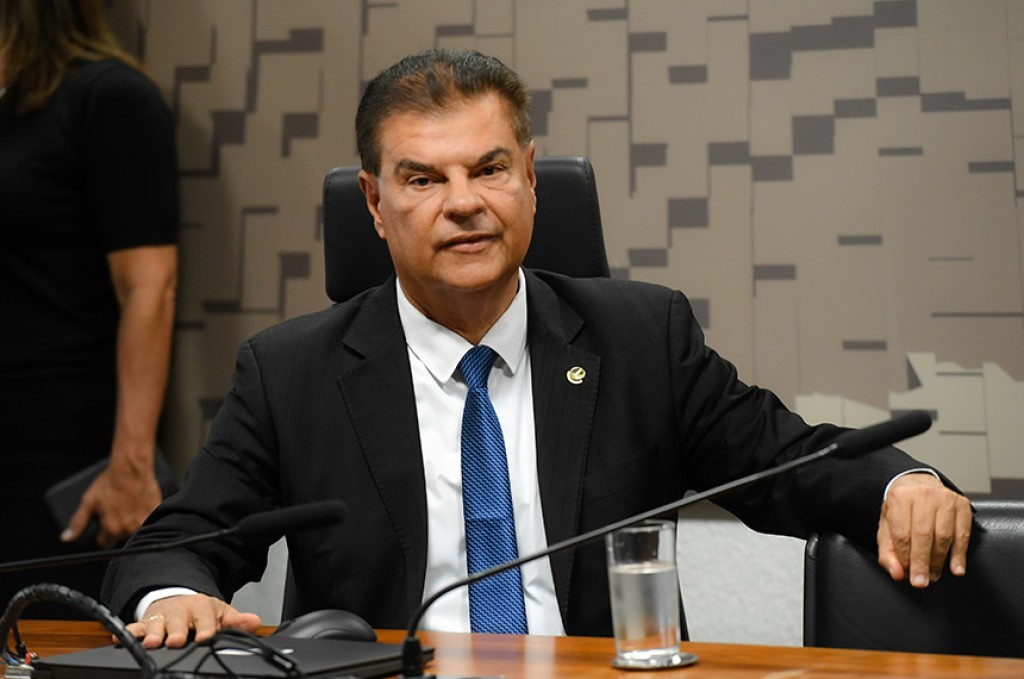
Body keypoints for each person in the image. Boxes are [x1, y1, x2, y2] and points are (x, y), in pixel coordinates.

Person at [102, 49, 971, 649]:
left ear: (529, 175)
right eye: (423, 179)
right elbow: (176, 540)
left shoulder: (641, 337)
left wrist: (902, 484)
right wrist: (175, 594)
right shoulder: (291, 370)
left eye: (489, 169)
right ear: (373, 203)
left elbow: (789, 463)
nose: (464, 202)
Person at [0, 0, 178, 613]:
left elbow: (149, 288)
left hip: (57, 454)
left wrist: (130, 463)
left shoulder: (109, 96)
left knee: (41, 641)